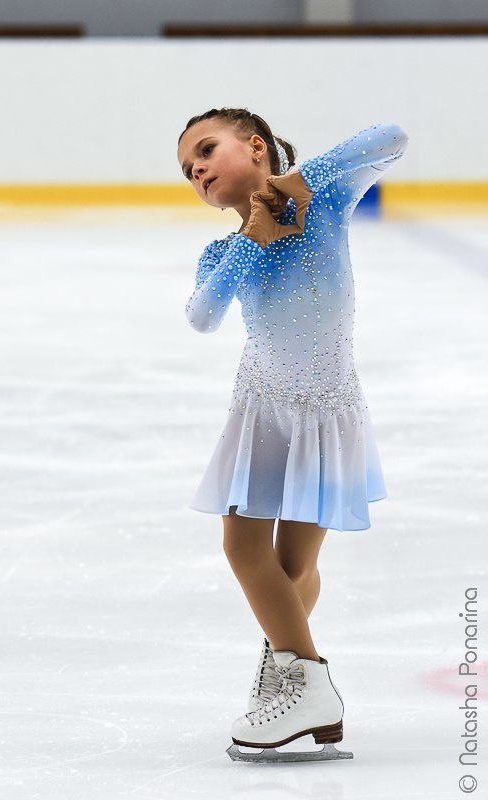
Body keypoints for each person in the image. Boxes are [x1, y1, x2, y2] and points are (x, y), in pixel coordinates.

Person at [177, 108, 408, 761]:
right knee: (244, 546)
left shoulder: (324, 205)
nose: (195, 169)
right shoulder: (223, 250)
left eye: (204, 149)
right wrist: (251, 234)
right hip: (260, 410)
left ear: (255, 145)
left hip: (325, 409)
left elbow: (390, 137)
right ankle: (298, 672)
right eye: (186, 169)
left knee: (292, 565)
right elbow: (201, 317)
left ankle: (295, 671)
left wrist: (295, 181)